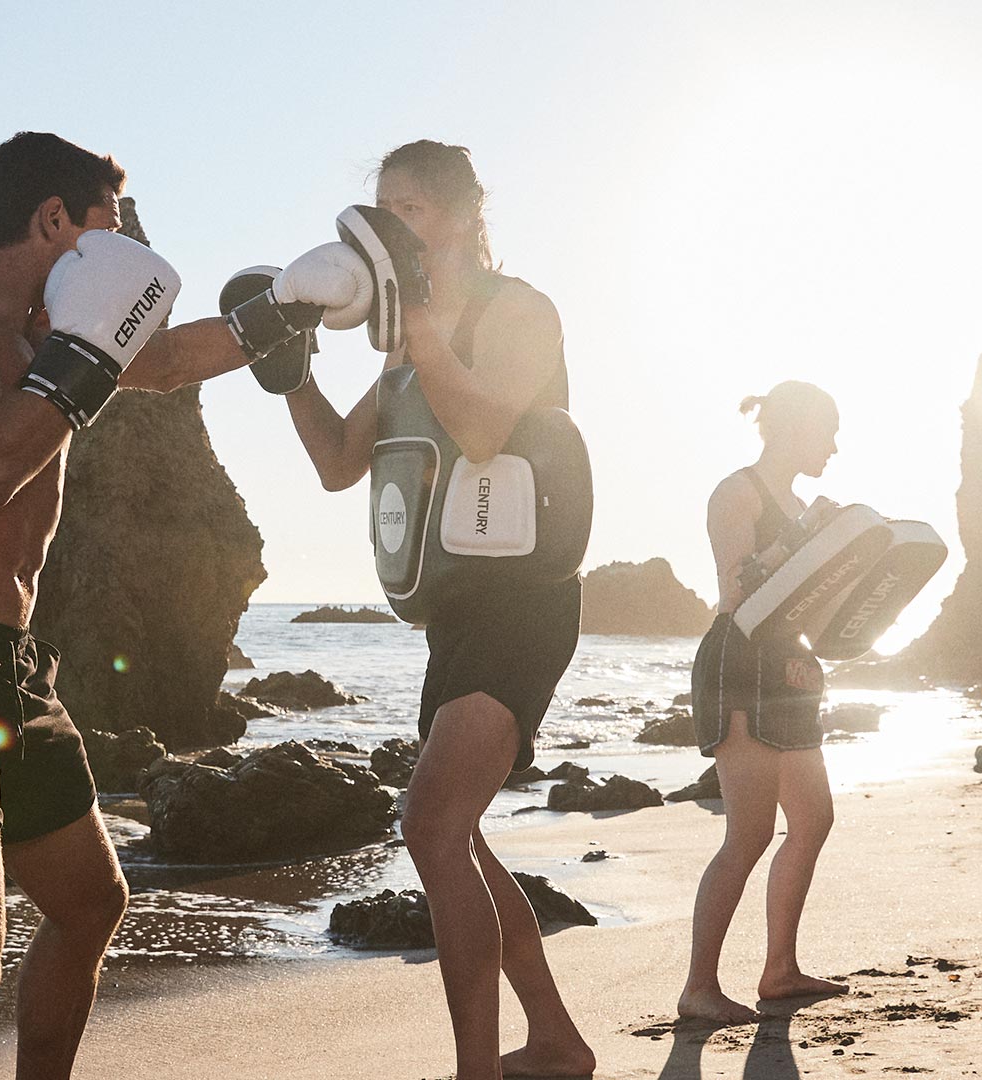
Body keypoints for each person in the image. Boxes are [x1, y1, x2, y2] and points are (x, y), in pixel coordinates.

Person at [0, 131, 358, 1080]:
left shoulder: (50, 340)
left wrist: (288, 305)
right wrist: (81, 350)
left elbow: (177, 360)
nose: (122, 253)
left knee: (92, 904)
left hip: (10, 666)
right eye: (108, 227)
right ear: (53, 219)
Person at [279, 140, 595, 1080]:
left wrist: (416, 317)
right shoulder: (399, 348)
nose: (388, 226)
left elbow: (488, 427)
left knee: (431, 826)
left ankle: (477, 1071)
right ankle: (556, 1039)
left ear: (459, 216)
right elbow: (340, 461)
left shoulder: (521, 311)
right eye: (381, 208)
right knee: (456, 832)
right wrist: (287, 369)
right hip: (455, 615)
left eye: (408, 210)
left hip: (525, 607)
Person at [679, 381, 850, 1026]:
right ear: (792, 429)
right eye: (827, 431)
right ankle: (699, 986)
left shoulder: (800, 503)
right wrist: (808, 533)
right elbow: (736, 589)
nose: (835, 447)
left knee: (813, 818)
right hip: (740, 663)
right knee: (748, 832)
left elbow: (811, 604)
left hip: (791, 667)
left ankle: (779, 970)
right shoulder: (738, 491)